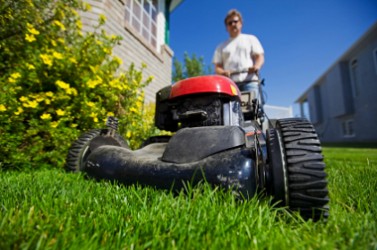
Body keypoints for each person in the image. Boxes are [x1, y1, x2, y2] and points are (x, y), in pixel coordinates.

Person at [213, 9, 265, 98]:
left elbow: (260, 57)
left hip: (249, 81)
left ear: (240, 23)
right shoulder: (221, 46)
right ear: (226, 27)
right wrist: (223, 72)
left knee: (253, 109)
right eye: (230, 23)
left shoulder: (250, 39)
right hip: (230, 85)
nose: (233, 24)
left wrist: (257, 66)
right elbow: (217, 67)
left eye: (235, 21)